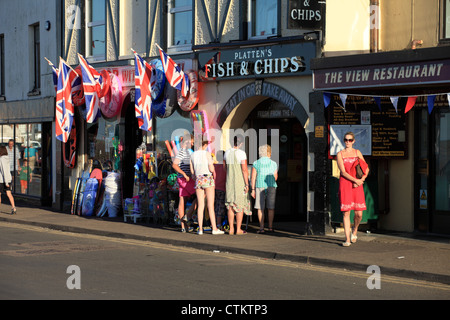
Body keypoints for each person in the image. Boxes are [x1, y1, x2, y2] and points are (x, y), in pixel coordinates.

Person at [336, 132, 369, 247]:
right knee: (346, 213)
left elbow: (366, 168)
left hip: (357, 185)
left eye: (350, 140)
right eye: (346, 140)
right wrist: (355, 180)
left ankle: (355, 230)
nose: (348, 142)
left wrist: (361, 180)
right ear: (343, 141)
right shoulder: (340, 154)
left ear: (354, 141)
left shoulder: (357, 152)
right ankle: (347, 239)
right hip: (345, 184)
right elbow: (343, 172)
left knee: (359, 214)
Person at [190, 137, 224, 235]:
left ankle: (200, 229)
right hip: (207, 178)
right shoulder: (207, 154)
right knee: (210, 205)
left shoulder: (192, 155)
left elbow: (192, 172)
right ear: (204, 145)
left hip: (198, 179)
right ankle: (214, 228)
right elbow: (211, 168)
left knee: (200, 205)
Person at [224, 136, 251, 235]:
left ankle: (231, 229)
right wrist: (247, 184)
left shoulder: (226, 153)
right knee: (240, 205)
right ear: (241, 143)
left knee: (231, 206)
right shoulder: (242, 153)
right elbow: (244, 170)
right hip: (239, 182)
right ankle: (238, 229)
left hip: (229, 182)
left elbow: (224, 168)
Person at [172, 133, 197, 233]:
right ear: (187, 141)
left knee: (182, 201)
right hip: (184, 179)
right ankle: (188, 216)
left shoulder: (188, 151)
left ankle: (183, 226)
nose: (192, 143)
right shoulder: (182, 152)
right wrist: (185, 174)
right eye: (192, 141)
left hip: (183, 179)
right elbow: (174, 165)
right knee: (201, 195)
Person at [250, 145, 278, 233]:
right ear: (269, 153)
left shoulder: (256, 163)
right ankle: (270, 227)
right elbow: (275, 177)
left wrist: (253, 189)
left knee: (260, 208)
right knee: (271, 208)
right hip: (271, 185)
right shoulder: (273, 163)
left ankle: (261, 228)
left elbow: (253, 177)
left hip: (259, 185)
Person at [0, 146, 17, 214]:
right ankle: (14, 208)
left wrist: (6, 181)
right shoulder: (7, 158)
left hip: (2, 180)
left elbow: (3, 170)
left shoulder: (1, 159)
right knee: (9, 194)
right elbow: (7, 170)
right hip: (8, 178)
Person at [213, 150, 226, 230]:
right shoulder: (225, 167)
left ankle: (214, 223)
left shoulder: (214, 166)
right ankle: (218, 223)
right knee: (220, 206)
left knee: (214, 206)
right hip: (222, 188)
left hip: (214, 188)